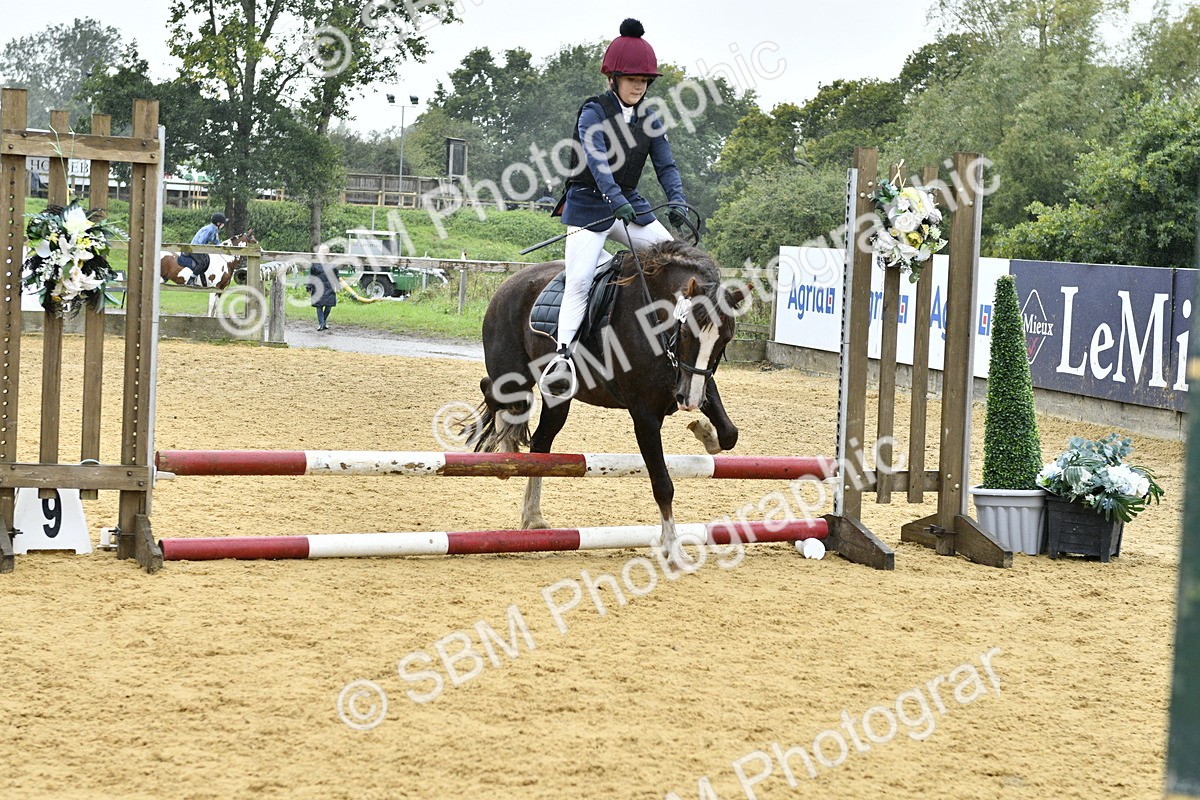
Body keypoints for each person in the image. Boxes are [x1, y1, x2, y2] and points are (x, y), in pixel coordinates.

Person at [540, 18, 689, 398]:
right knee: (578, 280)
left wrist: (677, 200)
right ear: (614, 78)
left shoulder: (651, 119)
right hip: (589, 205)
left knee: (674, 261)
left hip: (628, 206)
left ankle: (678, 348)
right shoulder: (592, 111)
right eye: (632, 79)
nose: (639, 86)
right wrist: (615, 200)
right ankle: (562, 358)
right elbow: (598, 163)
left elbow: (667, 165)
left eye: (644, 81)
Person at [308, 261, 339, 332]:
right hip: (318, 287)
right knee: (319, 306)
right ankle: (321, 324)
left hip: (329, 286)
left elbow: (336, 275)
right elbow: (311, 276)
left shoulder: (332, 263)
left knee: (329, 305)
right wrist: (309, 286)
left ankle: (323, 321)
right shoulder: (315, 263)